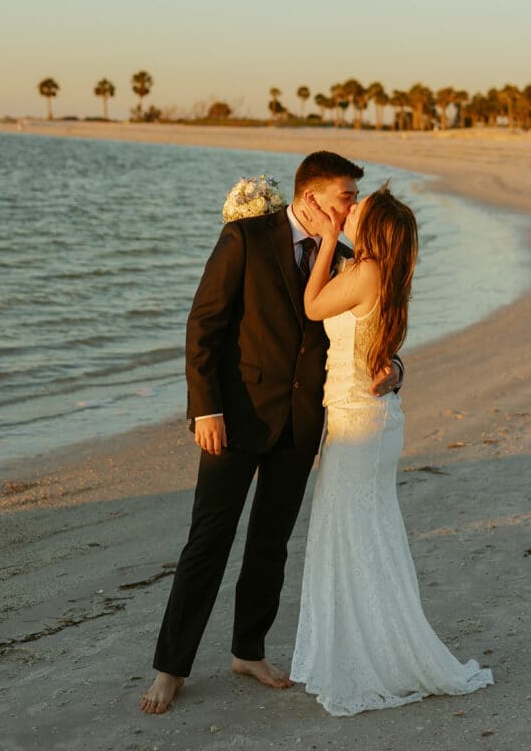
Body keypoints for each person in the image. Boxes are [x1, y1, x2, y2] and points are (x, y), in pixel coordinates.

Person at [140, 152, 402, 714]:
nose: (351, 208)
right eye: (345, 198)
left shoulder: (349, 259)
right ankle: (171, 667)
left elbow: (375, 333)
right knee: (208, 542)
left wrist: (395, 370)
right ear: (310, 198)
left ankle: (248, 650)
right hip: (234, 420)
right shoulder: (246, 239)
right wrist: (204, 409)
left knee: (270, 543)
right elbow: (204, 324)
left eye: (354, 199)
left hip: (303, 424)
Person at [290, 184, 494, 716]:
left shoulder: (366, 272)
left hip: (359, 425)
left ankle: (372, 658)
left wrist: (329, 233)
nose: (350, 209)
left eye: (359, 208)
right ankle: (377, 649)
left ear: (375, 227)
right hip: (372, 421)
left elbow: (312, 306)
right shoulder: (382, 273)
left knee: (352, 537)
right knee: (367, 536)